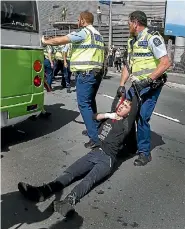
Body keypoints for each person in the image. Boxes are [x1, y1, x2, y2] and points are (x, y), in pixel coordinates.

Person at [18, 96, 138, 217]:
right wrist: (108, 115)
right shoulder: (110, 117)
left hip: (107, 159)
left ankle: (68, 202)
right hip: (95, 152)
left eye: (126, 106)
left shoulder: (126, 124)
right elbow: (94, 117)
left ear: (129, 113)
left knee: (88, 180)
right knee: (70, 172)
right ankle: (43, 191)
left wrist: (137, 86)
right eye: (122, 104)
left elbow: (134, 110)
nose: (122, 106)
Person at [41, 11, 105, 149]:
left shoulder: (84, 32)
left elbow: (60, 40)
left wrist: (45, 41)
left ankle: (94, 138)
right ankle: (93, 128)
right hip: (96, 73)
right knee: (90, 102)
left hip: (86, 74)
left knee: (84, 104)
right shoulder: (98, 35)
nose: (77, 21)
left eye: (78, 19)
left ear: (82, 20)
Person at [117, 11, 171, 166]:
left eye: (129, 22)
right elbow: (128, 65)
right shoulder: (131, 41)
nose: (128, 25)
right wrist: (121, 84)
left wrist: (148, 80)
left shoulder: (152, 37)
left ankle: (144, 153)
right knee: (127, 115)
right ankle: (130, 147)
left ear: (135, 22)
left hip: (151, 85)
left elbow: (166, 63)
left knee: (142, 116)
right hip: (135, 85)